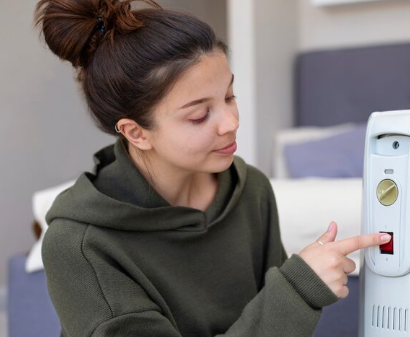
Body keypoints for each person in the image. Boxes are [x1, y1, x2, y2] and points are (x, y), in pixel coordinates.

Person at [34, 0, 392, 336]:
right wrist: (298, 289)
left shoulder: (250, 189)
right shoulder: (80, 245)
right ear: (136, 133)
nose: (230, 122)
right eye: (199, 115)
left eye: (229, 97)